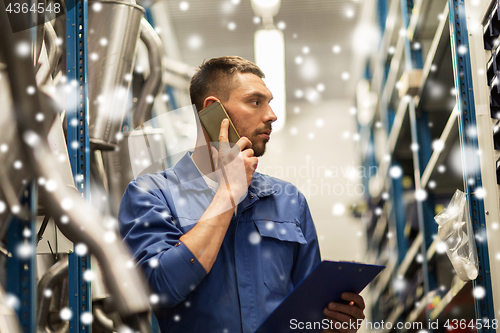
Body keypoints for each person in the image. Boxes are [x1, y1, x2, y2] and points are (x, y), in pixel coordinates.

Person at [118, 56, 365, 333]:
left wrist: (331, 324)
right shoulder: (151, 195)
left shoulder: (288, 200)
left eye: (270, 102)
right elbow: (159, 289)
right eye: (256, 102)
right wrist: (227, 194)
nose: (271, 115)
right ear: (214, 111)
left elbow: (306, 315)